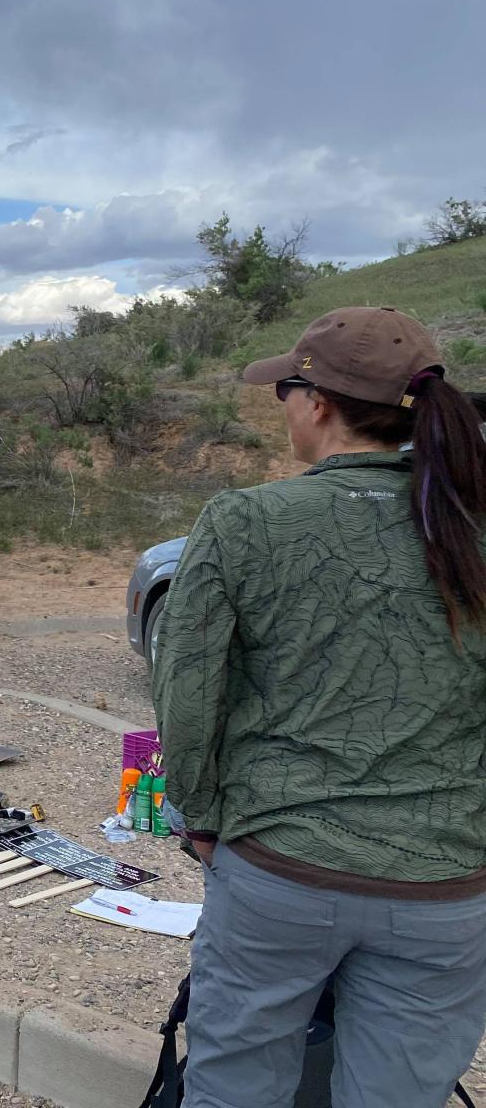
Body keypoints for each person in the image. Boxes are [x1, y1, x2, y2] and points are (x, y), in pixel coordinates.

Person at [154, 306, 486, 1108]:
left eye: (286, 392)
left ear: (320, 403)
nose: (286, 408)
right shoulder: (470, 528)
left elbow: (188, 696)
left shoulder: (245, 521)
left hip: (279, 872)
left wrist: (200, 817)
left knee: (233, 1086)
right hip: (448, 887)